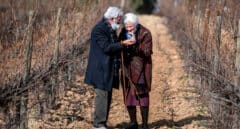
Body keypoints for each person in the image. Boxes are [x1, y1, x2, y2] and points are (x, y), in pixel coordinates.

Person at [84, 7, 135, 129]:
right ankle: (98, 125)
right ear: (112, 18)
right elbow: (107, 47)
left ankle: (103, 123)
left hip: (108, 69)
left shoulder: (110, 28)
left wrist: (126, 45)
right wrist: (122, 43)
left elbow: (115, 46)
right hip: (100, 69)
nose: (120, 21)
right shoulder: (99, 29)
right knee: (102, 96)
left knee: (107, 96)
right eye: (119, 19)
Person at [119, 13, 153, 129]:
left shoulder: (145, 33)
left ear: (136, 25)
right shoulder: (123, 32)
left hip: (141, 68)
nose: (128, 29)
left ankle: (144, 124)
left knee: (142, 95)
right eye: (127, 26)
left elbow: (147, 51)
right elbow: (118, 46)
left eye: (131, 27)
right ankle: (133, 123)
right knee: (128, 95)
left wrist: (136, 44)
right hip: (127, 68)